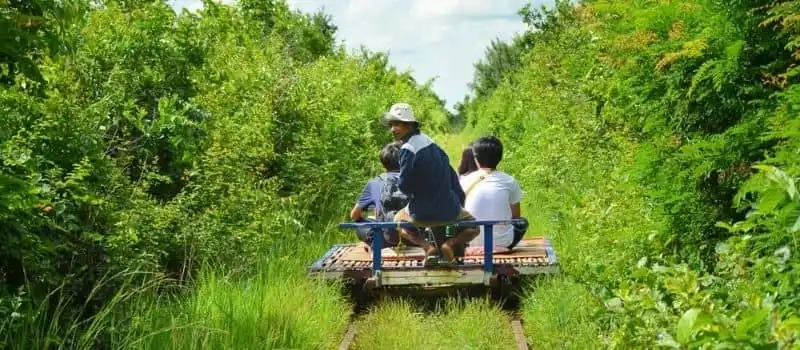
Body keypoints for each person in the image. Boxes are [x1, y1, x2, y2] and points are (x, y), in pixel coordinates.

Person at [381, 102, 479, 266]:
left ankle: (427, 246)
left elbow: (404, 186)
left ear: (409, 125)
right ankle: (450, 244)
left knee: (396, 219)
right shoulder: (433, 144)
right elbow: (452, 178)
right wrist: (457, 204)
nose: (393, 129)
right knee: (474, 226)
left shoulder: (407, 149)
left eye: (397, 124)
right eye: (391, 124)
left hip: (421, 214)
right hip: (449, 211)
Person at [459, 136, 529, 252]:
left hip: (470, 241)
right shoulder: (509, 181)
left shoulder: (464, 181)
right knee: (523, 222)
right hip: (504, 242)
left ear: (476, 158)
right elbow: (515, 216)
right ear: (500, 157)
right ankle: (500, 245)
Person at [350, 141, 412, 251]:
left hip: (387, 239)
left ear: (383, 163)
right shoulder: (418, 180)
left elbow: (354, 215)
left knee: (360, 222)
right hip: (413, 237)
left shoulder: (374, 183)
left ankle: (374, 242)